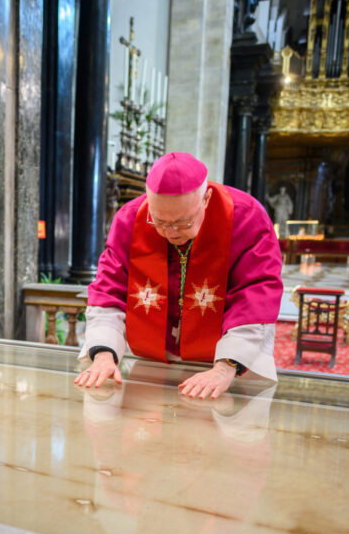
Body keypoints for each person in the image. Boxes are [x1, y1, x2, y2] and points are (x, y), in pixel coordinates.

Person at [75, 152, 283, 400]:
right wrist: (104, 355)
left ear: (206, 199)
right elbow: (109, 290)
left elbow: (256, 294)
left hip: (228, 361)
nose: (171, 233)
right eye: (159, 221)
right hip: (151, 359)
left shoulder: (246, 217)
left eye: (183, 222)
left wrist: (226, 367)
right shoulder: (131, 218)